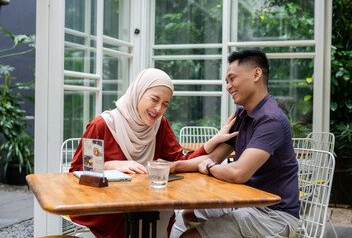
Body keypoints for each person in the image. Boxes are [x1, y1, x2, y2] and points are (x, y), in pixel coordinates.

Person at [69, 68, 236, 238]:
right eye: (154, 99)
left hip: (147, 204)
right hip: (107, 208)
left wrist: (215, 140)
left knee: (159, 210)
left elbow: (181, 162)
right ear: (138, 93)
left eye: (165, 104)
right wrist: (109, 165)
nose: (158, 109)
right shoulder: (103, 125)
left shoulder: (159, 126)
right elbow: (76, 171)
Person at [172, 49, 300, 238]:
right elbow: (214, 156)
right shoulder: (243, 113)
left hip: (274, 215)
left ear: (256, 74)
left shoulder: (271, 119)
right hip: (247, 203)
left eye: (232, 79)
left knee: (188, 237)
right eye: (227, 81)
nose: (228, 86)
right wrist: (174, 166)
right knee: (189, 213)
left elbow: (238, 173)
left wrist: (208, 168)